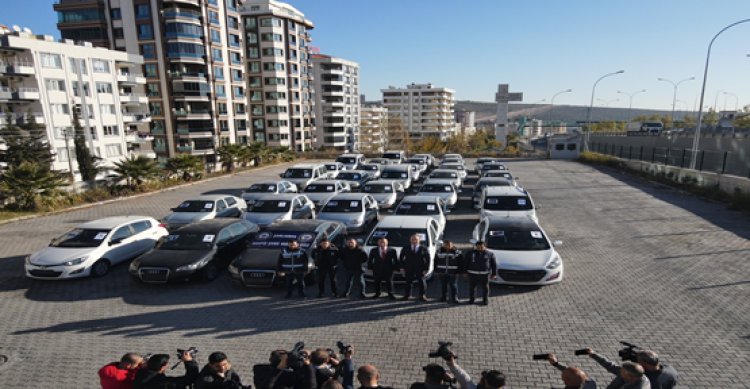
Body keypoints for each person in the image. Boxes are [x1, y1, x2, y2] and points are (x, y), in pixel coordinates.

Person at [581, 348, 650, 389]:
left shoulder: (641, 387)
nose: (620, 372)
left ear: (630, 376)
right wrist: (594, 355)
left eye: (622, 373)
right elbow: (610, 366)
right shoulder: (629, 372)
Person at [133, 351, 199, 389]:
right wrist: (189, 362)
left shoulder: (139, 373)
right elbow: (189, 379)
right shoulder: (166, 383)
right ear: (162, 367)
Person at [464, 241, 497, 306]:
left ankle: (485, 300)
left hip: (484, 274)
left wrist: (494, 274)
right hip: (472, 274)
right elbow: (465, 263)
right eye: (478, 247)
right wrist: (465, 272)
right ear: (476, 246)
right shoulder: (470, 253)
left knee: (485, 288)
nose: (480, 248)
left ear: (485, 246)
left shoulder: (490, 254)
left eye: (481, 247)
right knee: (472, 288)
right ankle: (472, 299)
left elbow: (494, 265)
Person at [399, 234, 431, 301]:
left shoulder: (424, 248)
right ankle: (407, 295)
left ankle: (422, 296)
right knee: (408, 282)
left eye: (416, 239)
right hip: (408, 268)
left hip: (420, 268)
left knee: (422, 282)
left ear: (419, 240)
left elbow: (428, 259)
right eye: (412, 239)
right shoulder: (405, 248)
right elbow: (401, 258)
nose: (414, 241)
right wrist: (402, 267)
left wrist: (426, 269)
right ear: (410, 240)